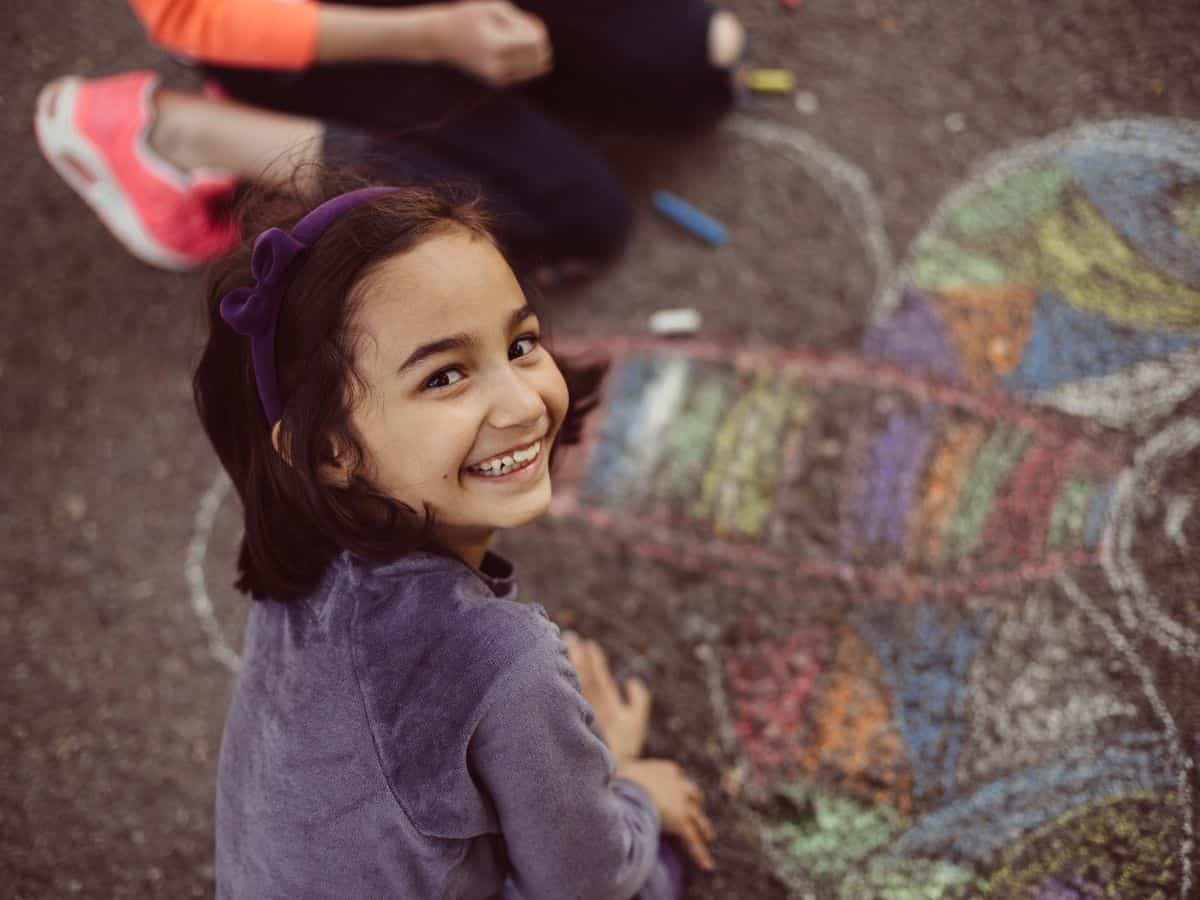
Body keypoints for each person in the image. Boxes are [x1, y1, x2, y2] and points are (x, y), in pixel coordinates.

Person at [193, 178, 716, 898]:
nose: (523, 401)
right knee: (652, 873)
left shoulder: (304, 555)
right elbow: (584, 883)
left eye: (521, 343)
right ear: (330, 450)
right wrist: (629, 789)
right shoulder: (502, 659)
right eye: (445, 377)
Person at [35, 0, 745, 274]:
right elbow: (191, 9)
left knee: (701, 66)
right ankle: (183, 132)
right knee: (576, 219)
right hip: (292, 25)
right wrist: (433, 33)